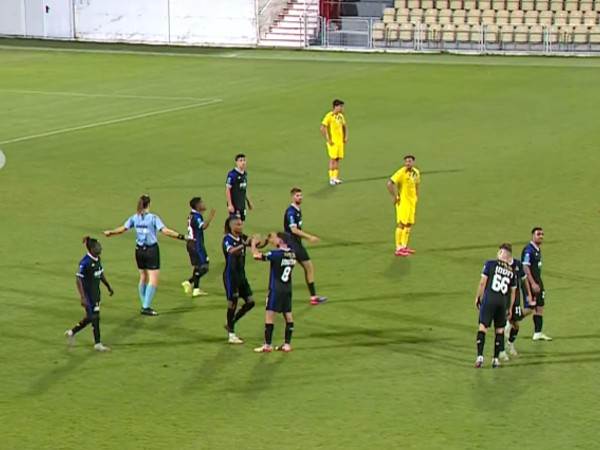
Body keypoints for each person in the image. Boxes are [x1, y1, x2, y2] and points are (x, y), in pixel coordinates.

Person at [103, 194, 187, 316]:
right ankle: (146, 307)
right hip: (151, 251)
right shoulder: (153, 218)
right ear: (149, 204)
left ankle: (144, 304)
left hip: (139, 251)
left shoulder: (134, 218)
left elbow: (122, 229)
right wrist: (182, 237)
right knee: (153, 278)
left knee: (143, 276)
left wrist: (111, 232)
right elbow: (165, 231)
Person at [65, 237, 113, 352]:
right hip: (88, 296)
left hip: (96, 294)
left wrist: (108, 286)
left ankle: (71, 332)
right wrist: (82, 297)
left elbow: (100, 273)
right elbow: (78, 279)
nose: (100, 248)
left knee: (91, 317)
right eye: (98, 246)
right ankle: (98, 343)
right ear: (91, 249)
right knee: (94, 318)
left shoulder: (98, 259)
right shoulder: (85, 262)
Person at [252, 232, 297, 353]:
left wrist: (253, 244)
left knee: (269, 315)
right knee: (288, 315)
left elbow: (256, 256)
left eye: (276, 238)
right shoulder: (293, 254)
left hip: (276, 289)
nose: (274, 240)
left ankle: (267, 345)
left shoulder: (276, 254)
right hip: (287, 289)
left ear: (281, 241)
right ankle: (287, 344)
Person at [222, 217, 264, 344]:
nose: (241, 227)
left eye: (241, 224)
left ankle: (231, 322)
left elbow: (255, 245)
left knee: (250, 302)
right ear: (231, 226)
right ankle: (231, 334)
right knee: (232, 304)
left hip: (241, 276)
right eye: (238, 225)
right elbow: (231, 251)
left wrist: (263, 240)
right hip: (231, 276)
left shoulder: (242, 237)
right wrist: (244, 244)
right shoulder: (227, 239)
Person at [474, 243, 517, 369]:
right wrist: (510, 308)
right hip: (502, 303)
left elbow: (483, 283)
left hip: (489, 300)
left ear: (501, 253)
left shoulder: (490, 264)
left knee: (483, 327)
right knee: (499, 330)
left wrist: (478, 297)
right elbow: (513, 292)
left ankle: (480, 357)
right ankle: (495, 359)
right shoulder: (512, 272)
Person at [283, 187, 327, 305]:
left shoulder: (297, 210)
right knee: (303, 268)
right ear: (292, 197)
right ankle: (312, 297)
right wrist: (309, 237)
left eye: (301, 195)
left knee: (304, 268)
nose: (300, 197)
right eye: (297, 196)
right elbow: (294, 230)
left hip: (295, 244)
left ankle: (313, 297)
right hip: (292, 244)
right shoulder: (291, 212)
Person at [387, 155, 421, 257]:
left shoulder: (416, 172)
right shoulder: (401, 172)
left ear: (413, 162)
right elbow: (389, 183)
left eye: (409, 161)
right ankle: (398, 248)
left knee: (409, 223)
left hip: (412, 202)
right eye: (406, 161)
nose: (407, 163)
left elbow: (417, 184)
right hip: (403, 202)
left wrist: (416, 196)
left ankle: (404, 246)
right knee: (401, 223)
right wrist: (394, 196)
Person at [182, 197, 216, 298]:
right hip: (196, 245)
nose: (203, 204)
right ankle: (189, 282)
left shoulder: (192, 215)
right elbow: (203, 226)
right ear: (197, 206)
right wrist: (211, 216)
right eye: (201, 203)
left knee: (197, 267)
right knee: (205, 266)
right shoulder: (196, 217)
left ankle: (196, 289)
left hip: (191, 243)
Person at [522, 227, 552, 341]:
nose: (541, 236)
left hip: (538, 281)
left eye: (542, 234)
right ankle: (510, 321)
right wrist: (533, 283)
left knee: (540, 306)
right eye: (538, 234)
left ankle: (538, 333)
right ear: (533, 235)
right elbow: (525, 267)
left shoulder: (537, 249)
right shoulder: (528, 250)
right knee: (530, 308)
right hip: (531, 282)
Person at [502, 257, 534, 358]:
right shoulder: (499, 265)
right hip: (503, 298)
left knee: (516, 325)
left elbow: (524, 280)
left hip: (515, 299)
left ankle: (509, 344)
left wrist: (529, 294)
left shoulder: (518, 264)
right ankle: (501, 351)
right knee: (501, 326)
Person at [320, 99, 347, 186]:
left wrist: (345, 136)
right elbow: (322, 127)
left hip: (340, 142)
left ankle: (335, 177)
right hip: (333, 142)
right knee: (332, 159)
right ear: (335, 107)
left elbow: (344, 126)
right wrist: (328, 139)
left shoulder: (341, 116)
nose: (342, 108)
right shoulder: (329, 116)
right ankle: (331, 178)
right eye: (340, 106)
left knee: (338, 159)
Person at [226, 154, 253, 221]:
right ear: (236, 162)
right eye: (240, 160)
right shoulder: (232, 174)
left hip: (242, 204)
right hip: (235, 204)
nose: (243, 162)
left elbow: (244, 188)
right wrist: (230, 204)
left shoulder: (244, 174)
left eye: (244, 160)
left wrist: (249, 202)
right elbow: (228, 189)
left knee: (242, 222)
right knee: (234, 223)